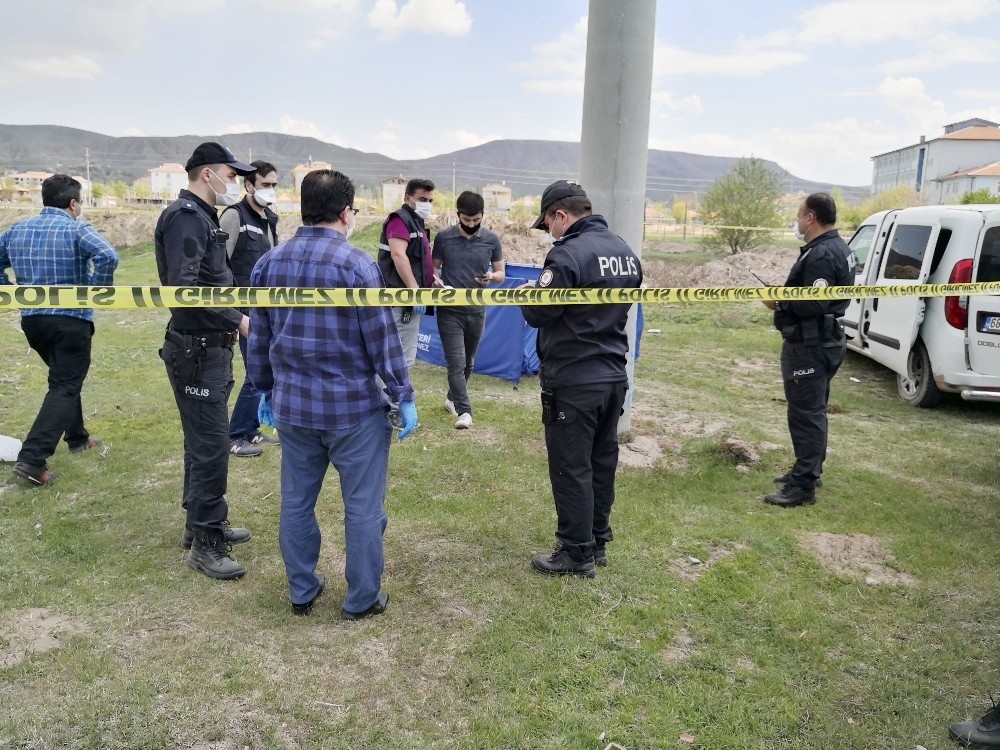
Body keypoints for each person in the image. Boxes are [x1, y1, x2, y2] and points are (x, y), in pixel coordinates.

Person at [247, 169, 418, 620]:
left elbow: (259, 337)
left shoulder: (269, 263)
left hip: (294, 409)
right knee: (362, 508)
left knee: (296, 502)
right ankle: (362, 598)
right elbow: (382, 340)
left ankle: (302, 589)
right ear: (346, 212)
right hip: (355, 412)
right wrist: (403, 394)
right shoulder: (358, 265)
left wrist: (263, 387)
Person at [520, 180, 642, 578]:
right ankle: (597, 539)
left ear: (561, 215)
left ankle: (576, 552)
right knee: (601, 460)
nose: (549, 233)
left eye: (548, 225)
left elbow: (541, 314)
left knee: (571, 465)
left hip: (574, 377)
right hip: (613, 374)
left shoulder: (568, 253)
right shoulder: (624, 250)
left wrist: (528, 296)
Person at [155, 142, 255, 580]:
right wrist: (239, 319)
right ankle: (206, 543)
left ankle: (200, 525)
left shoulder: (202, 216)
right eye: (231, 175)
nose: (235, 183)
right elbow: (186, 288)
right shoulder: (185, 218)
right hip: (196, 349)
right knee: (211, 445)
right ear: (207, 174)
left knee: (202, 442)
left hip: (210, 347)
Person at [0, 174, 119, 486]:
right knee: (65, 385)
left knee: (64, 378)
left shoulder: (16, 230)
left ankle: (77, 438)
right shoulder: (76, 227)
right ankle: (32, 460)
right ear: (73, 203)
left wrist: (9, 290)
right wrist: (98, 290)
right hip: (71, 320)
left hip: (33, 322)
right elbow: (107, 255)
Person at [763, 192, 852, 508]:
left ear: (810, 217)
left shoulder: (822, 254)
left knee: (806, 414)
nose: (797, 221)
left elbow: (814, 302)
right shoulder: (832, 247)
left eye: (799, 215)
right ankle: (807, 470)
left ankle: (803, 487)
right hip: (819, 342)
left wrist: (779, 301)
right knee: (812, 411)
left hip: (811, 345)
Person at [219, 160, 280, 458]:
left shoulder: (270, 218)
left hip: (265, 307)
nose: (270, 190)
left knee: (267, 368)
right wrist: (234, 315)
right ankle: (235, 435)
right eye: (265, 184)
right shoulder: (233, 216)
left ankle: (251, 428)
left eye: (274, 185)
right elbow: (218, 265)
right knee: (256, 373)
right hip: (244, 309)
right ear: (249, 185)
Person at [432, 190, 504, 429]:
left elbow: (501, 274)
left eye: (476, 220)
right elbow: (433, 270)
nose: (471, 224)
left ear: (482, 216)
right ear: (458, 215)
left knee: (469, 361)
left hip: (477, 310)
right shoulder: (443, 238)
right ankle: (465, 412)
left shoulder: (491, 240)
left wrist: (492, 277)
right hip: (449, 310)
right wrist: (437, 282)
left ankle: (452, 399)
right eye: (467, 220)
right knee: (457, 363)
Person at [377, 178, 435, 369]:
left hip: (411, 299)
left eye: (430, 200)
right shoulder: (400, 220)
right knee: (400, 358)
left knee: (405, 356)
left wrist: (433, 279)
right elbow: (398, 255)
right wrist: (414, 290)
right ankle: (393, 399)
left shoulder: (417, 221)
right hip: (401, 299)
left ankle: (395, 398)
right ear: (407, 197)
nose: (426, 204)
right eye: (422, 199)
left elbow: (419, 260)